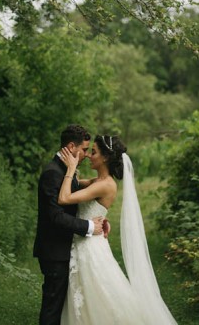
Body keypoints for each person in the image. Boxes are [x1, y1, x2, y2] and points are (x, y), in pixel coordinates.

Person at [58, 135, 177, 324]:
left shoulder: (105, 185)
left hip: (90, 246)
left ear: (105, 157)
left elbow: (64, 198)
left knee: (100, 293)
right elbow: (73, 184)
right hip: (87, 239)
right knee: (87, 294)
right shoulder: (98, 181)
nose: (89, 156)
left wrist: (71, 168)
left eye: (94, 152)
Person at [33, 125, 107, 325]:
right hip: (54, 249)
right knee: (52, 305)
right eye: (83, 149)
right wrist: (89, 227)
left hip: (65, 247)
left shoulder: (66, 169)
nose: (85, 154)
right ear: (71, 146)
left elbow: (77, 196)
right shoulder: (52, 173)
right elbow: (55, 216)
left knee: (62, 305)